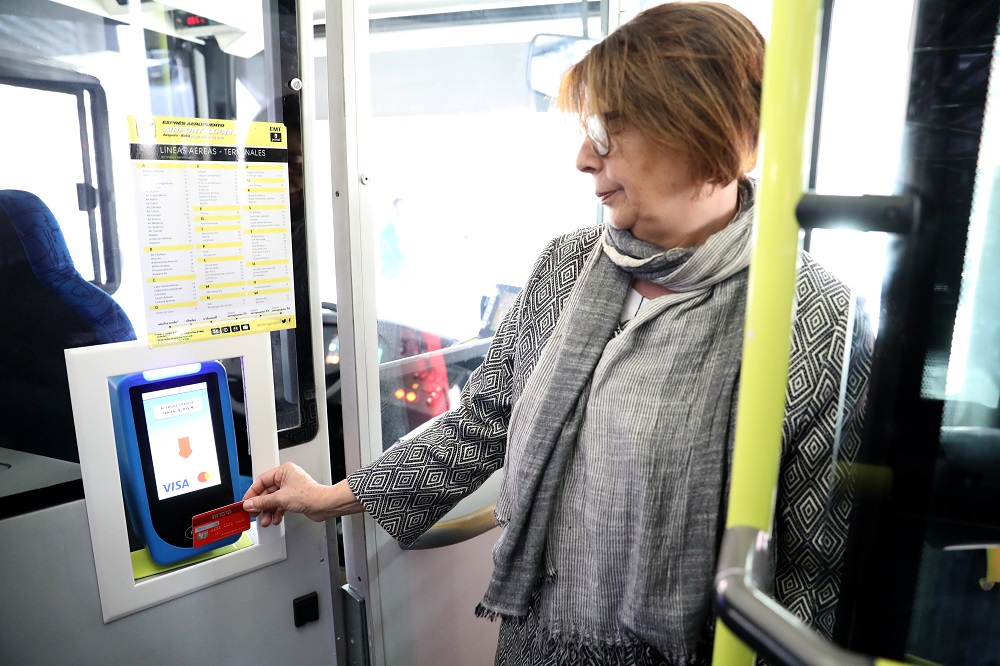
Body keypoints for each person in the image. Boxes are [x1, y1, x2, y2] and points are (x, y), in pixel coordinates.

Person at [242, 3, 873, 664]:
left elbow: (815, 577)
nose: (582, 158)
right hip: (536, 640)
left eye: (607, 131)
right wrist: (330, 497)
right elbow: (484, 423)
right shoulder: (567, 267)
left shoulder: (812, 317)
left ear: (700, 131)